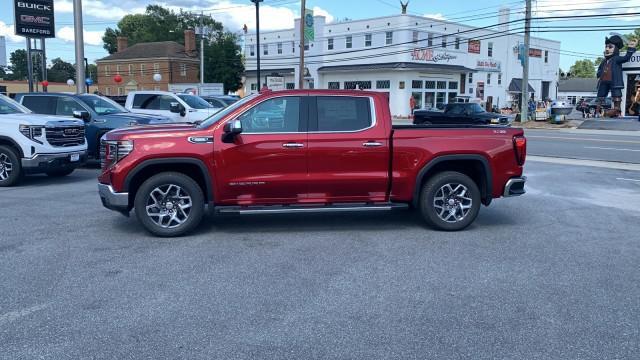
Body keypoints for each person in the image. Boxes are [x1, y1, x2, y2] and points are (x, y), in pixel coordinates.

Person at [596, 35, 637, 117]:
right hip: (604, 82)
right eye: (606, 47)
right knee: (600, 96)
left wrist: (630, 48)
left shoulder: (616, 59)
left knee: (616, 96)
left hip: (615, 82)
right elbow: (600, 69)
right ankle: (598, 110)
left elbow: (626, 58)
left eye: (610, 47)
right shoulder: (604, 61)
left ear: (616, 49)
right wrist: (599, 74)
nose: (607, 49)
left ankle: (615, 111)